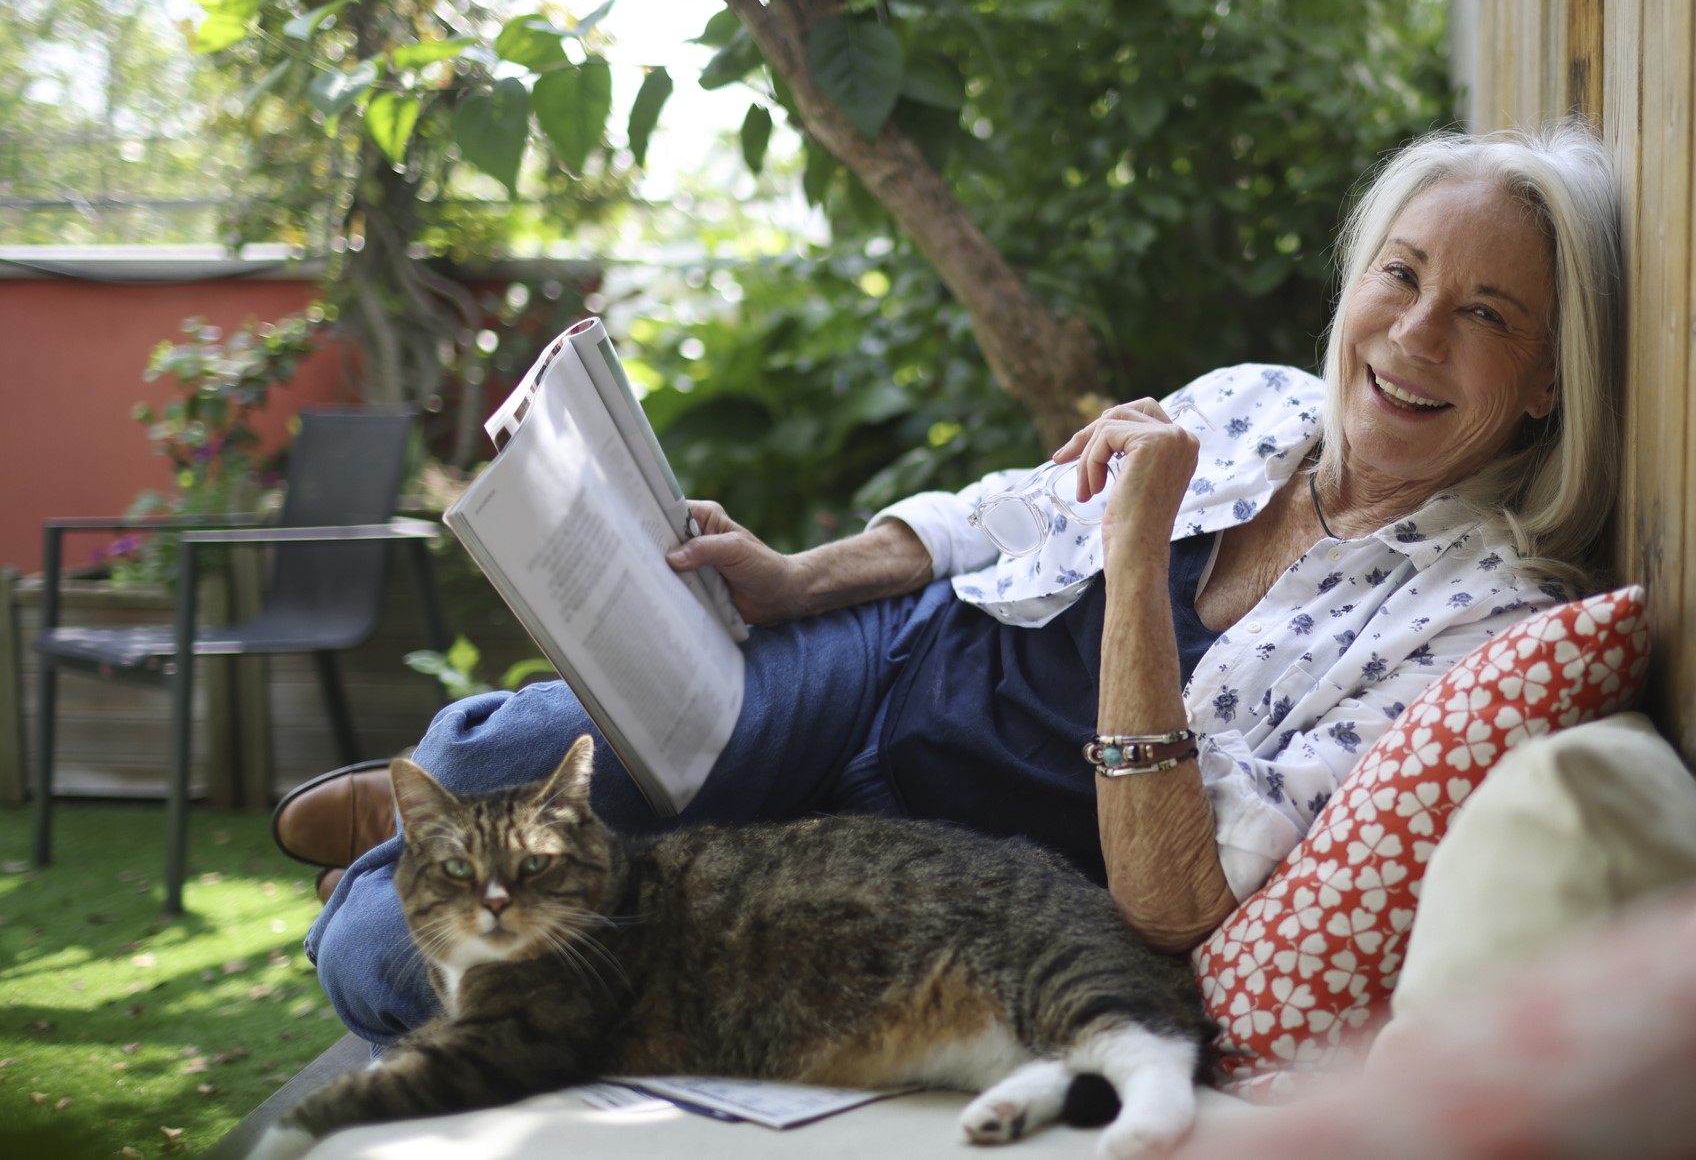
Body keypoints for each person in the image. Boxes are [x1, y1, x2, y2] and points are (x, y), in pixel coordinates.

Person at [279, 124, 1622, 1048]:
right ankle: (464, 769)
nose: (1410, 332)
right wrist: (805, 578)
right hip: (886, 663)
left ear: (1549, 383)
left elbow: (1172, 903)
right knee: (538, 745)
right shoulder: (1260, 404)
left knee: (387, 958)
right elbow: (1021, 508)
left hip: (938, 863)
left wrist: (1143, 555)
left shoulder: (1467, 616)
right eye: (1400, 274)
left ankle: (417, 817)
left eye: (1485, 316)